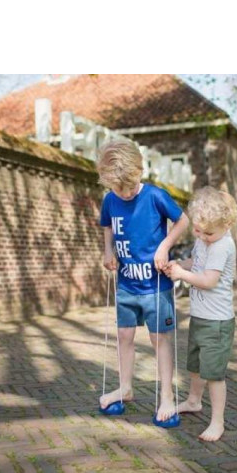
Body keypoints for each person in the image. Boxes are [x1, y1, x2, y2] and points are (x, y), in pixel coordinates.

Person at [97, 140, 189, 420]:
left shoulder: (155, 196)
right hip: (126, 284)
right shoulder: (110, 199)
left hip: (155, 287)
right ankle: (125, 388)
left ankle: (167, 396)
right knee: (124, 336)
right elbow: (107, 225)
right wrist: (108, 250)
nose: (124, 194)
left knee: (159, 339)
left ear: (138, 172)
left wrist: (164, 246)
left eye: (128, 188)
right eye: (118, 189)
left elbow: (183, 221)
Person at [164, 187, 237, 442]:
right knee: (195, 366)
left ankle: (218, 422)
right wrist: (178, 265)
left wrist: (182, 275)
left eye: (208, 233)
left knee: (213, 374)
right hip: (200, 316)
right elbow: (195, 264)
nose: (203, 237)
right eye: (197, 231)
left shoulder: (222, 246)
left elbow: (208, 280)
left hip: (217, 323)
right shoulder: (205, 239)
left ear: (226, 225)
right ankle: (194, 401)